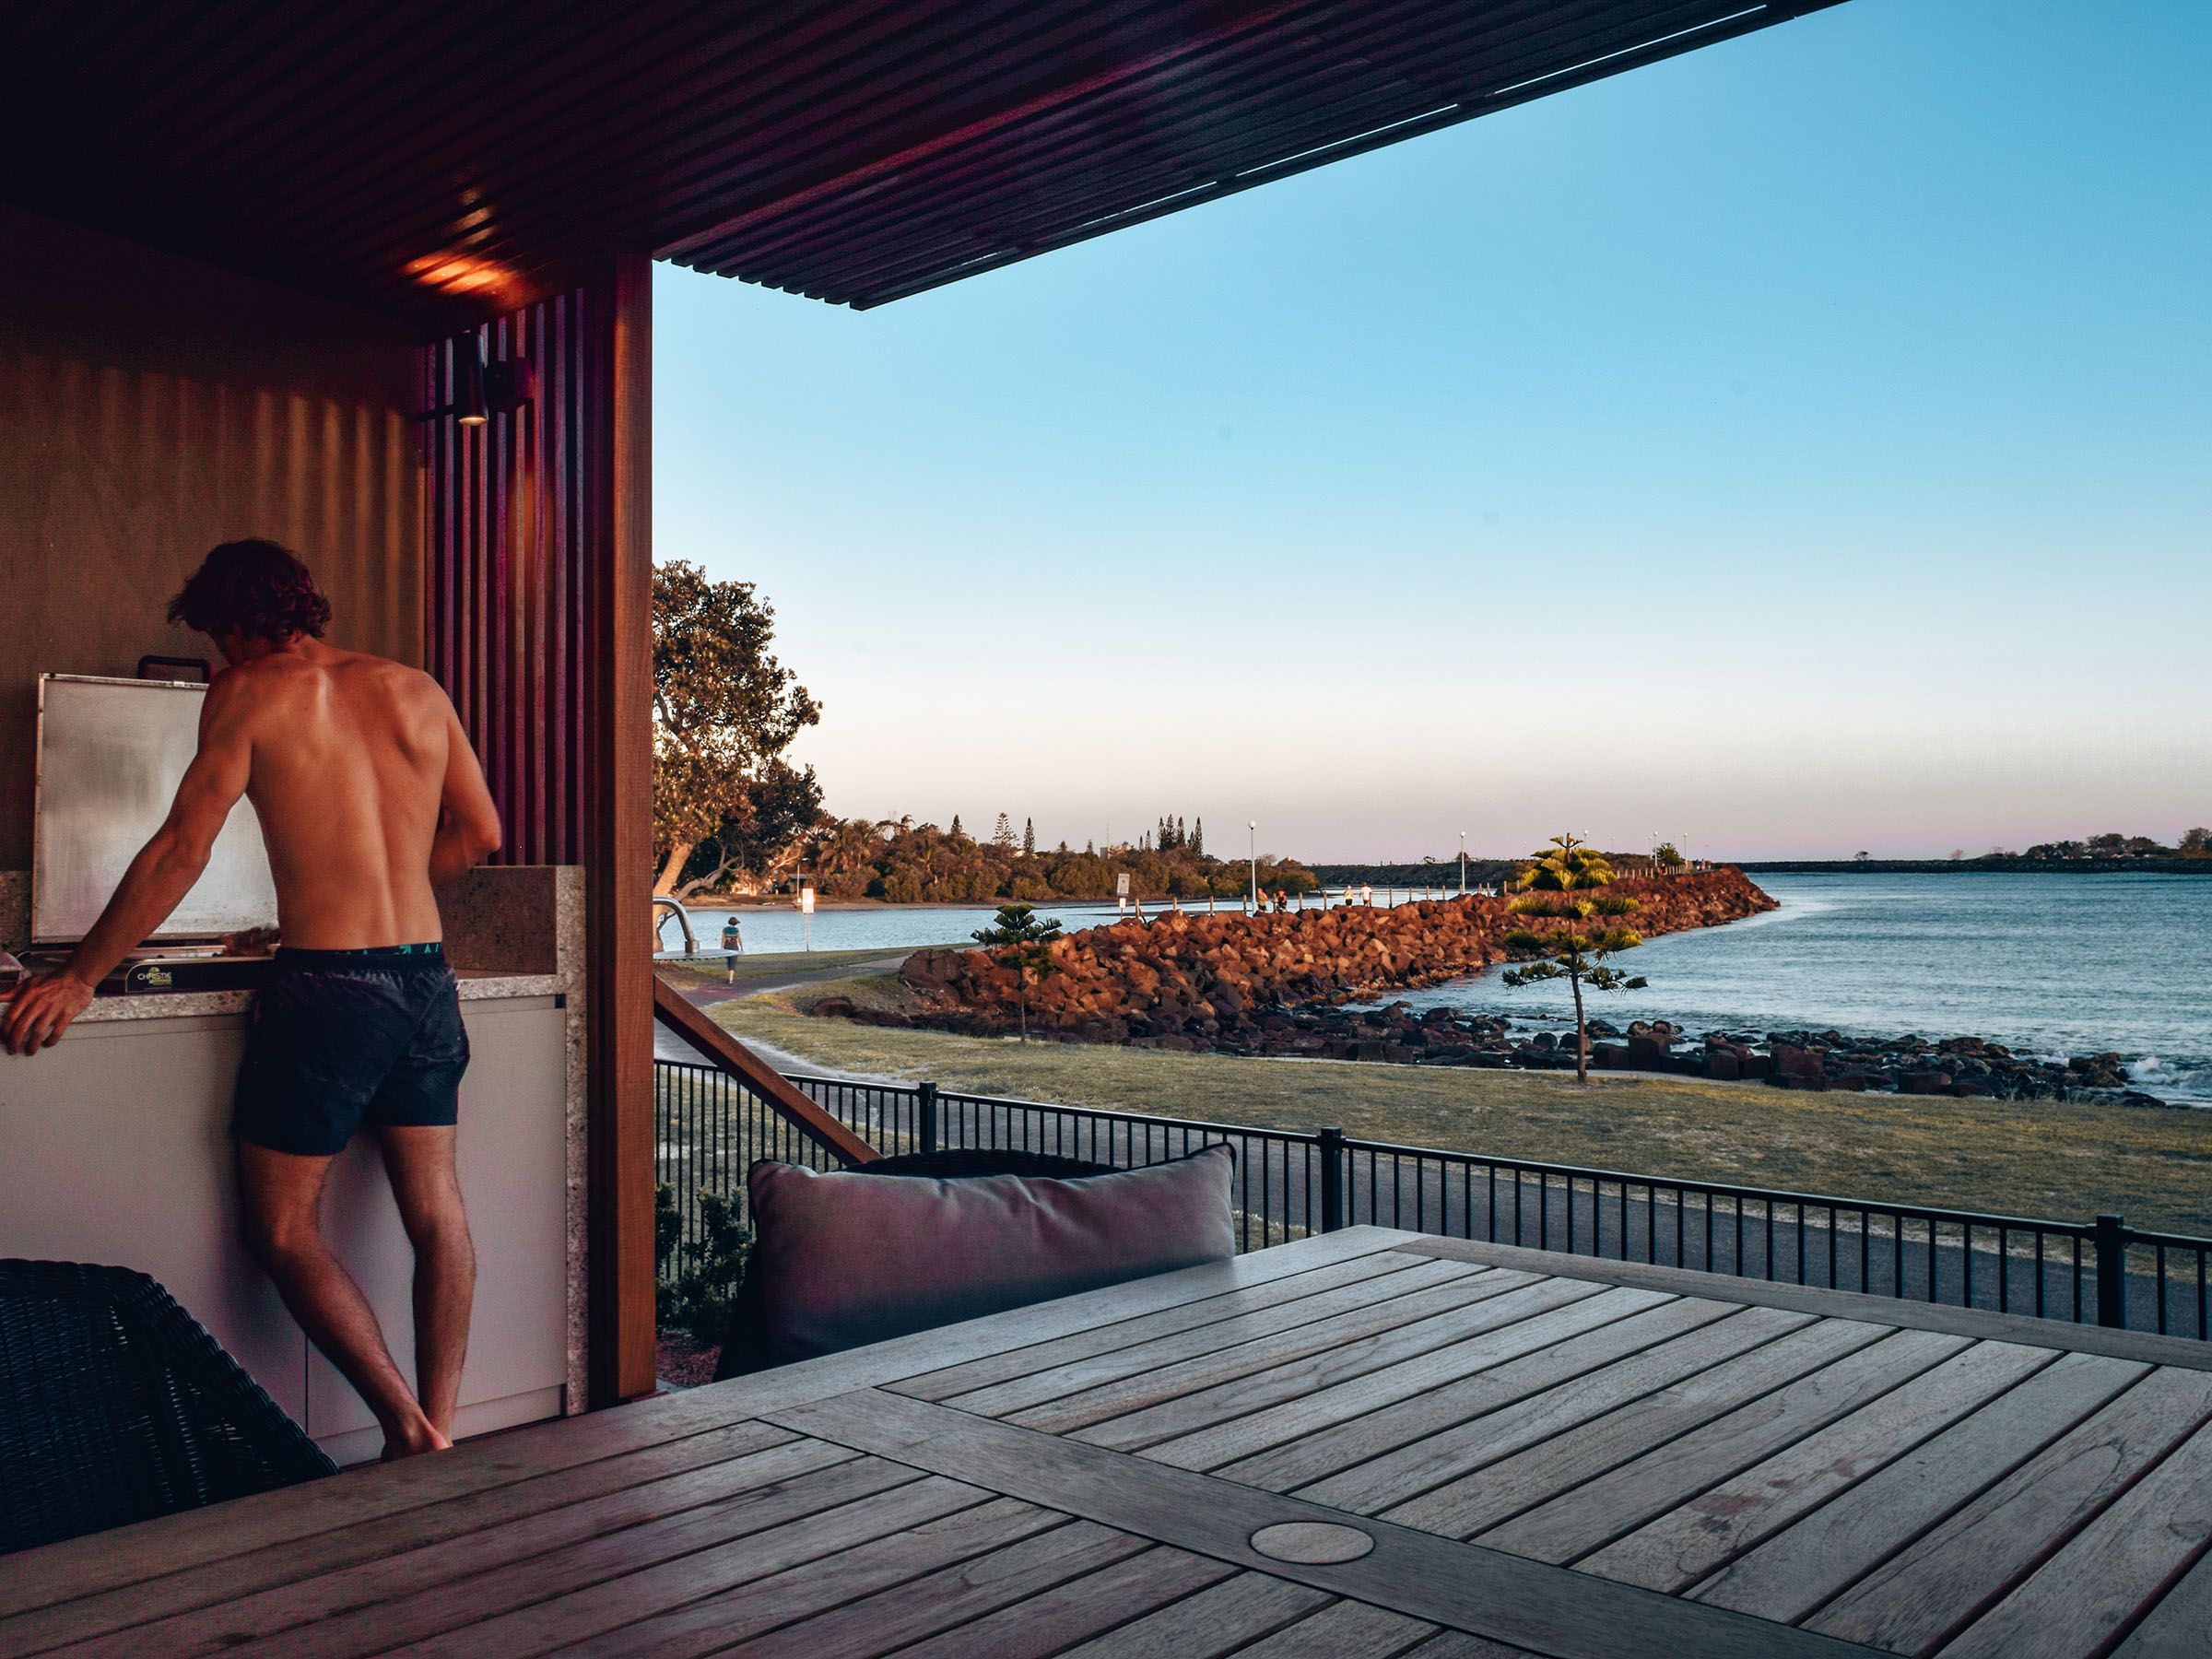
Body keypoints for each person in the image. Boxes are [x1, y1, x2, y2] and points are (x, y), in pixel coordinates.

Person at [1, 539, 502, 1460]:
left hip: (332, 990)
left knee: (280, 1228)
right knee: (438, 1211)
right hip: (425, 980)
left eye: (216, 637)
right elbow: (480, 832)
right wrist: (385, 891)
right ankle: (443, 1425)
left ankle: (407, 1430)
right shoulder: (417, 689)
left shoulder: (247, 691)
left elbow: (181, 849)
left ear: (234, 625)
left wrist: (79, 976)